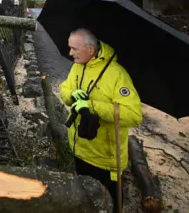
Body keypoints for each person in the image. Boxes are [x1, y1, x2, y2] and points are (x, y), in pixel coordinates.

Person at [59, 28, 142, 207]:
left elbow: (134, 115)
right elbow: (64, 89)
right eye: (70, 48)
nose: (70, 53)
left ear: (90, 49)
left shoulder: (117, 75)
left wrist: (92, 106)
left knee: (108, 202)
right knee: (87, 199)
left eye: (74, 49)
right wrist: (73, 94)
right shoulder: (77, 66)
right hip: (79, 149)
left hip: (105, 159)